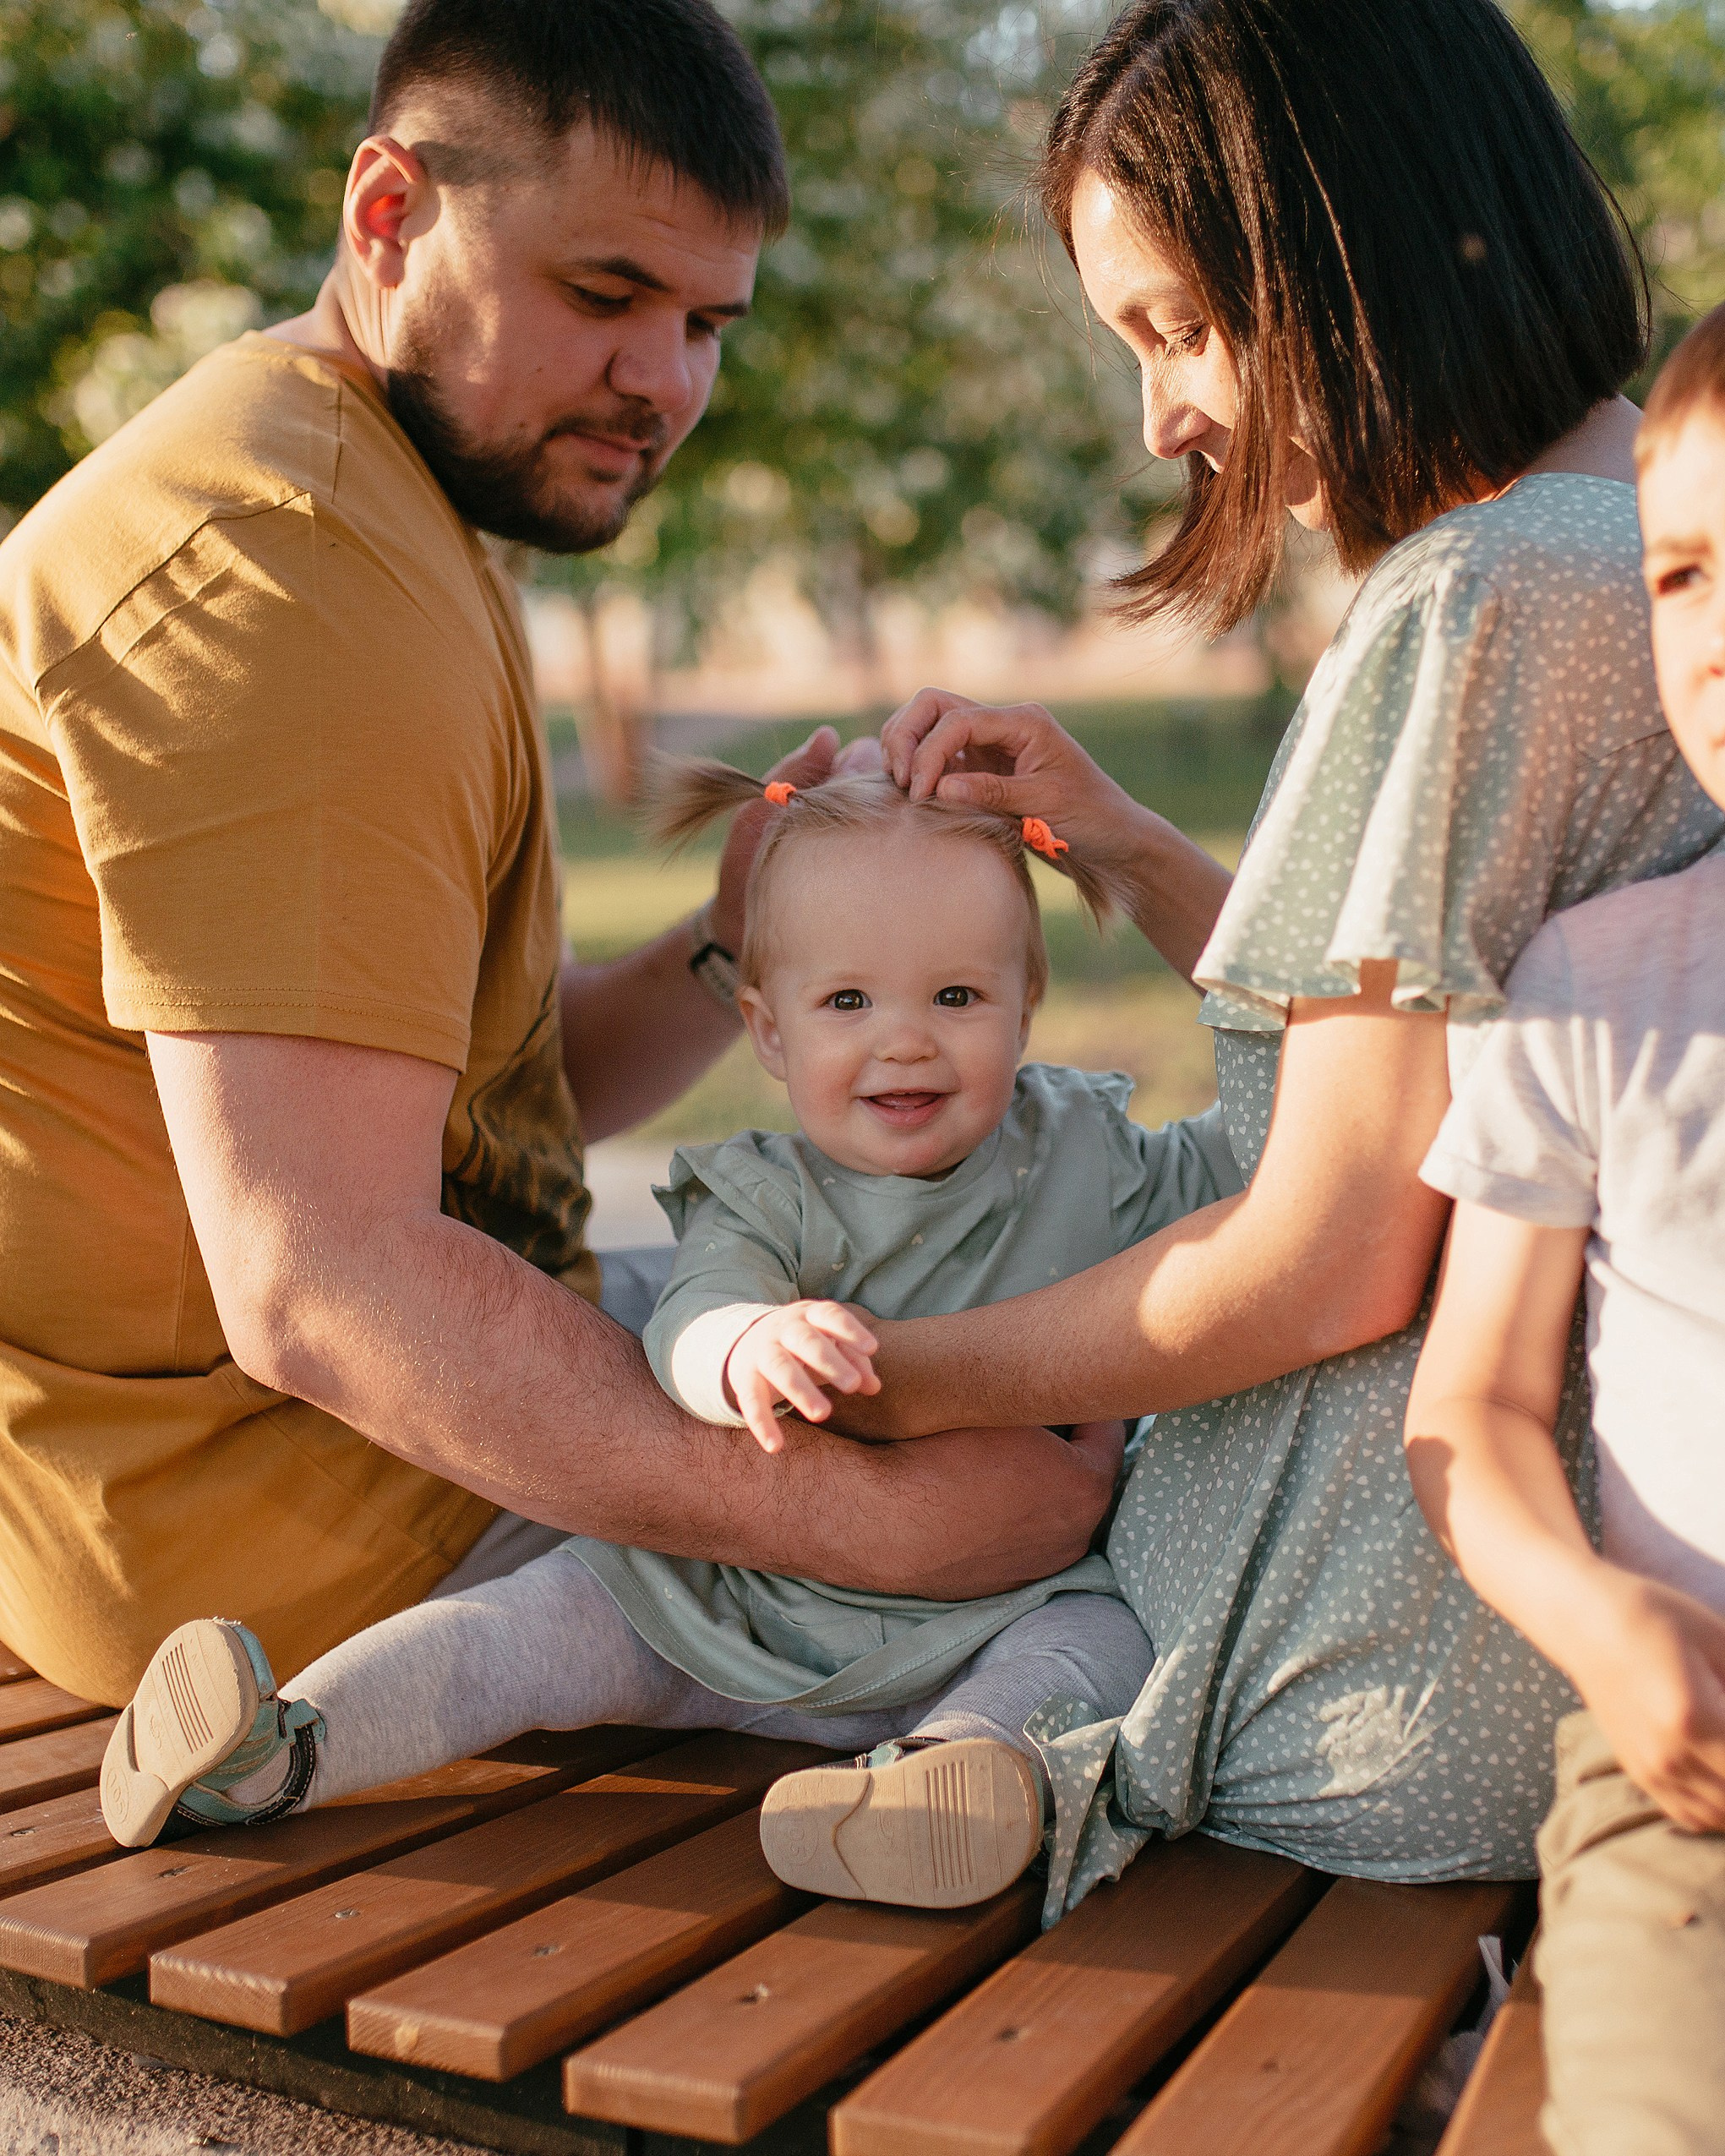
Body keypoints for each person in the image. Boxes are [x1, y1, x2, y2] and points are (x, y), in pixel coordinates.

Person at [0, 0, 1121, 1711]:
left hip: (367, 1450)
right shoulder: (277, 566)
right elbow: (324, 1285)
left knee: (1024, 1323)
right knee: (1162, 1561)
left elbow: (498, 1120)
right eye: (604, 296)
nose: (664, 381)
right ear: (389, 212)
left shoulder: (390, 498)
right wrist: (875, 1524)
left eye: (705, 323)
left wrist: (726, 939)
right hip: (309, 1556)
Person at [846, 0, 1725, 1884]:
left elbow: (1322, 1258)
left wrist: (885, 1382)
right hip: (1534, 1663)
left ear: (1355, 240)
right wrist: (1132, 847)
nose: (1160, 419)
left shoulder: (1466, 598)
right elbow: (1431, 1077)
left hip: (1325, 1695)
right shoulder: (1646, 546)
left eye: (1180, 326)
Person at [105, 763, 1250, 1920]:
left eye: (956, 997)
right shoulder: (764, 1193)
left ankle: (946, 1780)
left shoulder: (1094, 1152)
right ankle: (277, 1750)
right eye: (847, 1002)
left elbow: (1275, 1141)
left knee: (1097, 1642)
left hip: (992, 1602)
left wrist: (1144, 854)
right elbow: (691, 1320)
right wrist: (749, 1343)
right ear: (767, 1030)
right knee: (534, 1620)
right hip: (725, 1603)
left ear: (1025, 1005)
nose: (905, 1043)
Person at [1405, 306, 1725, 2156]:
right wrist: (1603, 1626)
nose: (1713, 634)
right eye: (1681, 573)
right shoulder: (1597, 985)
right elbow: (1475, 1409)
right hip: (1689, 1767)